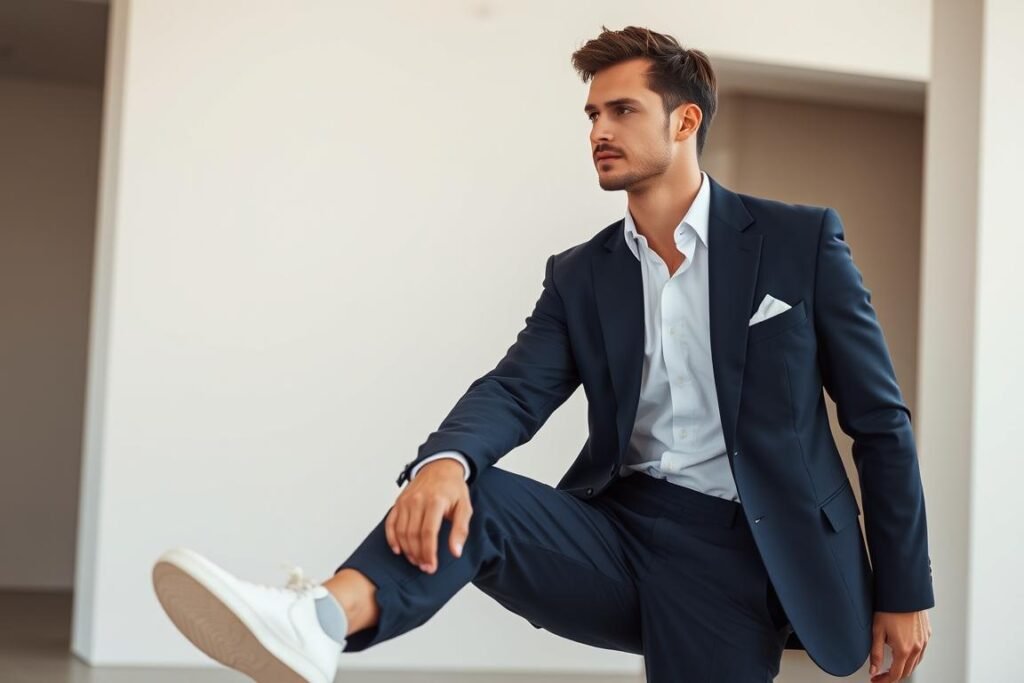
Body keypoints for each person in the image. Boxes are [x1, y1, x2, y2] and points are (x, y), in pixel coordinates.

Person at [152, 25, 934, 683]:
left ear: (686, 121)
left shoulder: (798, 243)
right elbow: (517, 388)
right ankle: (318, 619)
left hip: (744, 551)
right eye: (592, 113)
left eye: (622, 110)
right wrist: (443, 462)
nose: (598, 130)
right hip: (621, 531)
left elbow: (879, 421)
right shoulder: (582, 274)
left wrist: (905, 588)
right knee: (471, 493)